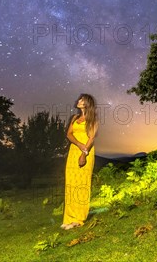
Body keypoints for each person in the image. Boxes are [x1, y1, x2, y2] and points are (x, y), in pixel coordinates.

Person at [61, 93, 98, 230]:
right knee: (71, 183)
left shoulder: (92, 119)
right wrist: (78, 144)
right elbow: (69, 134)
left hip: (86, 153)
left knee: (82, 184)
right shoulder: (75, 118)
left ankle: (79, 218)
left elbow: (91, 139)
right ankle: (69, 218)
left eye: (82, 100)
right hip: (73, 151)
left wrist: (84, 153)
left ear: (87, 103)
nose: (78, 101)